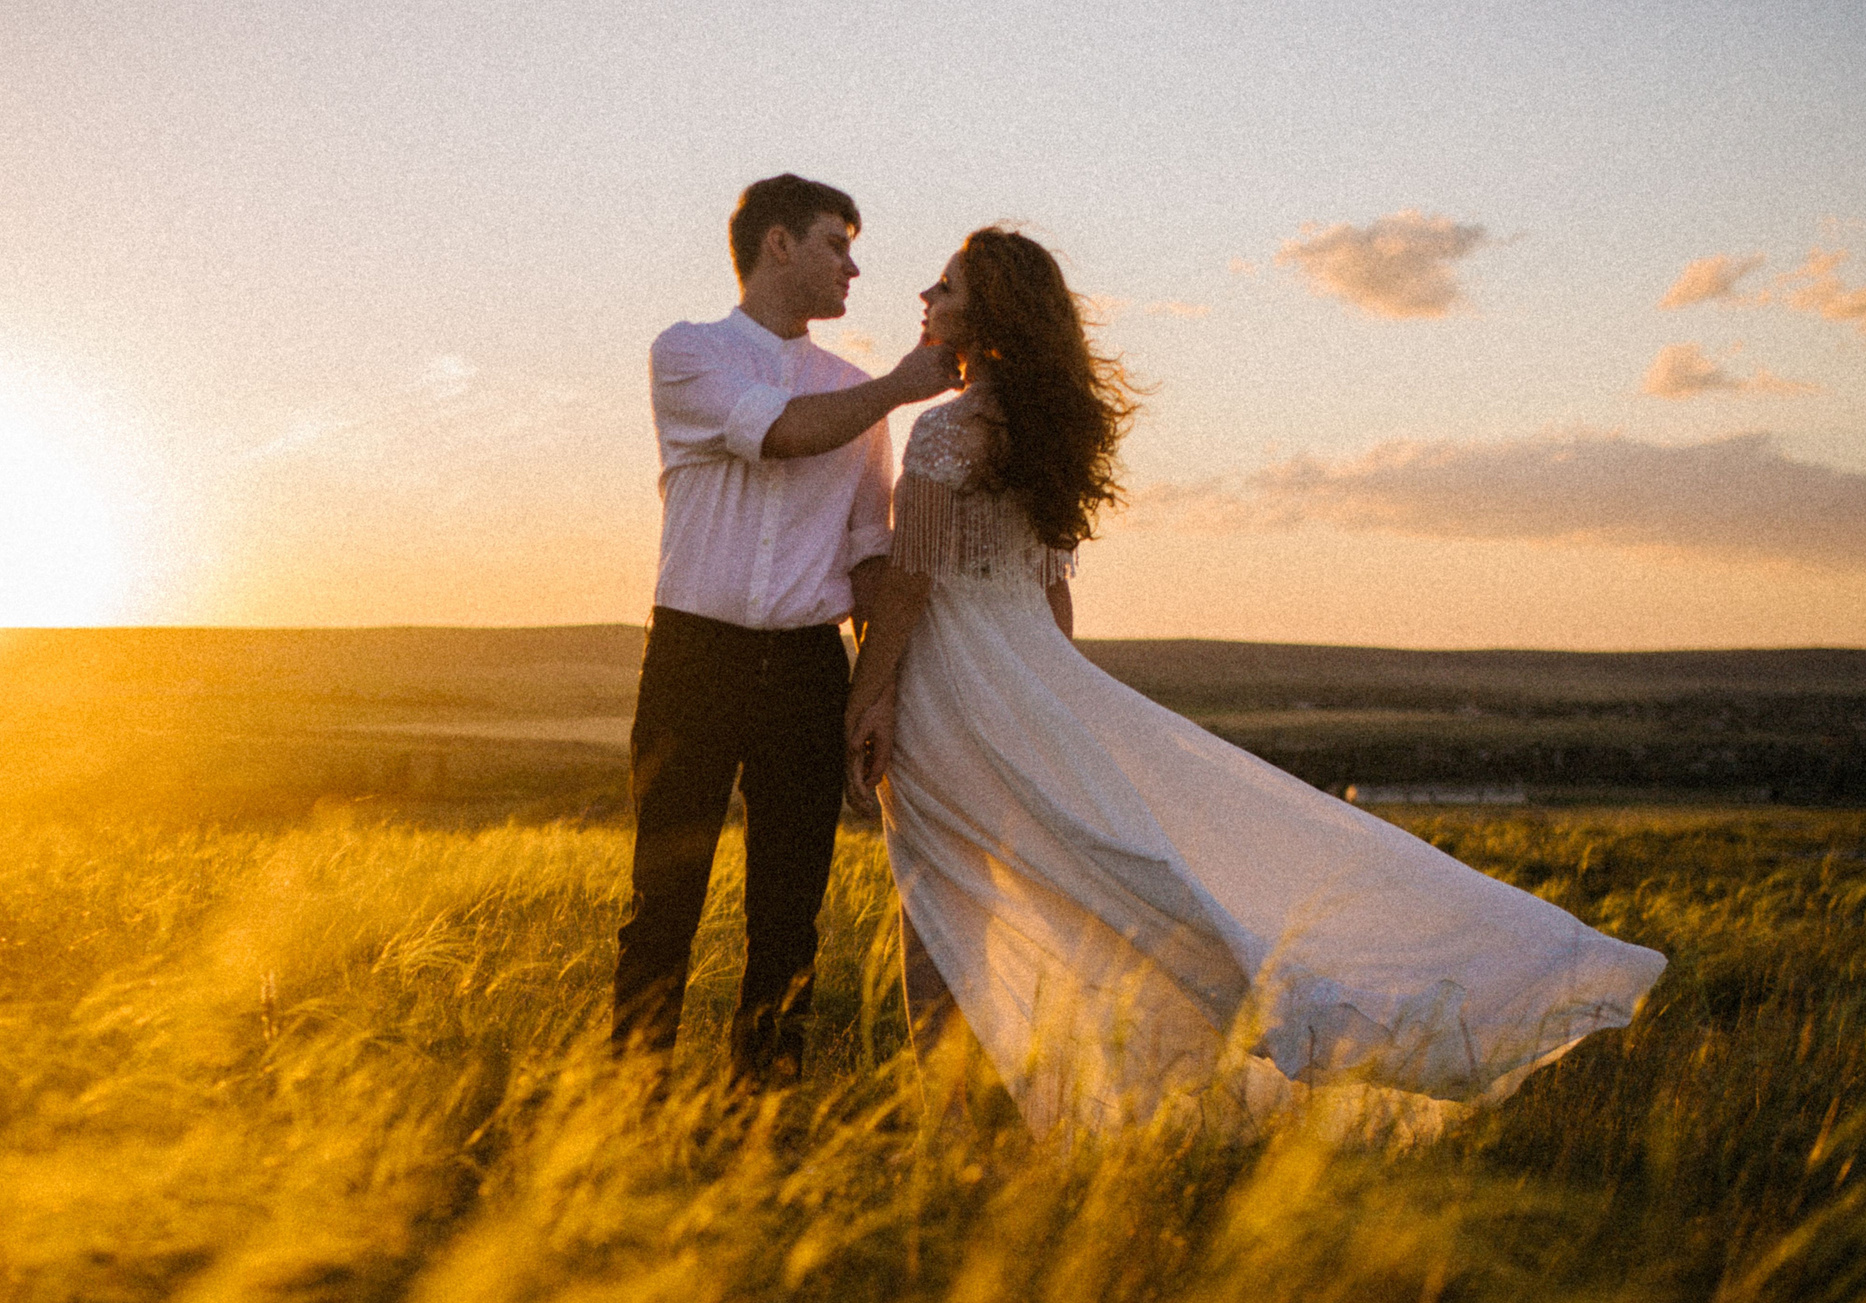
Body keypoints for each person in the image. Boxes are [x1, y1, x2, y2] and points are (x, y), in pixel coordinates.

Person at [844, 227, 1666, 1135]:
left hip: (954, 695)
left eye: (948, 286)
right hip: (1031, 680)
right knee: (1071, 881)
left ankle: (958, 1128)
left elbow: (913, 578)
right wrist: (1066, 701)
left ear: (987, 312)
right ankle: (1003, 1115)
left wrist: (869, 696)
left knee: (946, 905)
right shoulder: (1049, 432)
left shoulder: (943, 433)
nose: (928, 293)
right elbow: (1051, 589)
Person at [613, 174, 962, 1085]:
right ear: (777, 244)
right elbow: (779, 434)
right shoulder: (688, 353)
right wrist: (898, 386)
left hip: (810, 667)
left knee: (788, 913)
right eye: (836, 245)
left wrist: (874, 686)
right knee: (664, 901)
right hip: (694, 654)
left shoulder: (857, 394)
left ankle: (762, 1113)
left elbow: (866, 557)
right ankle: (622, 1112)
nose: (854, 267)